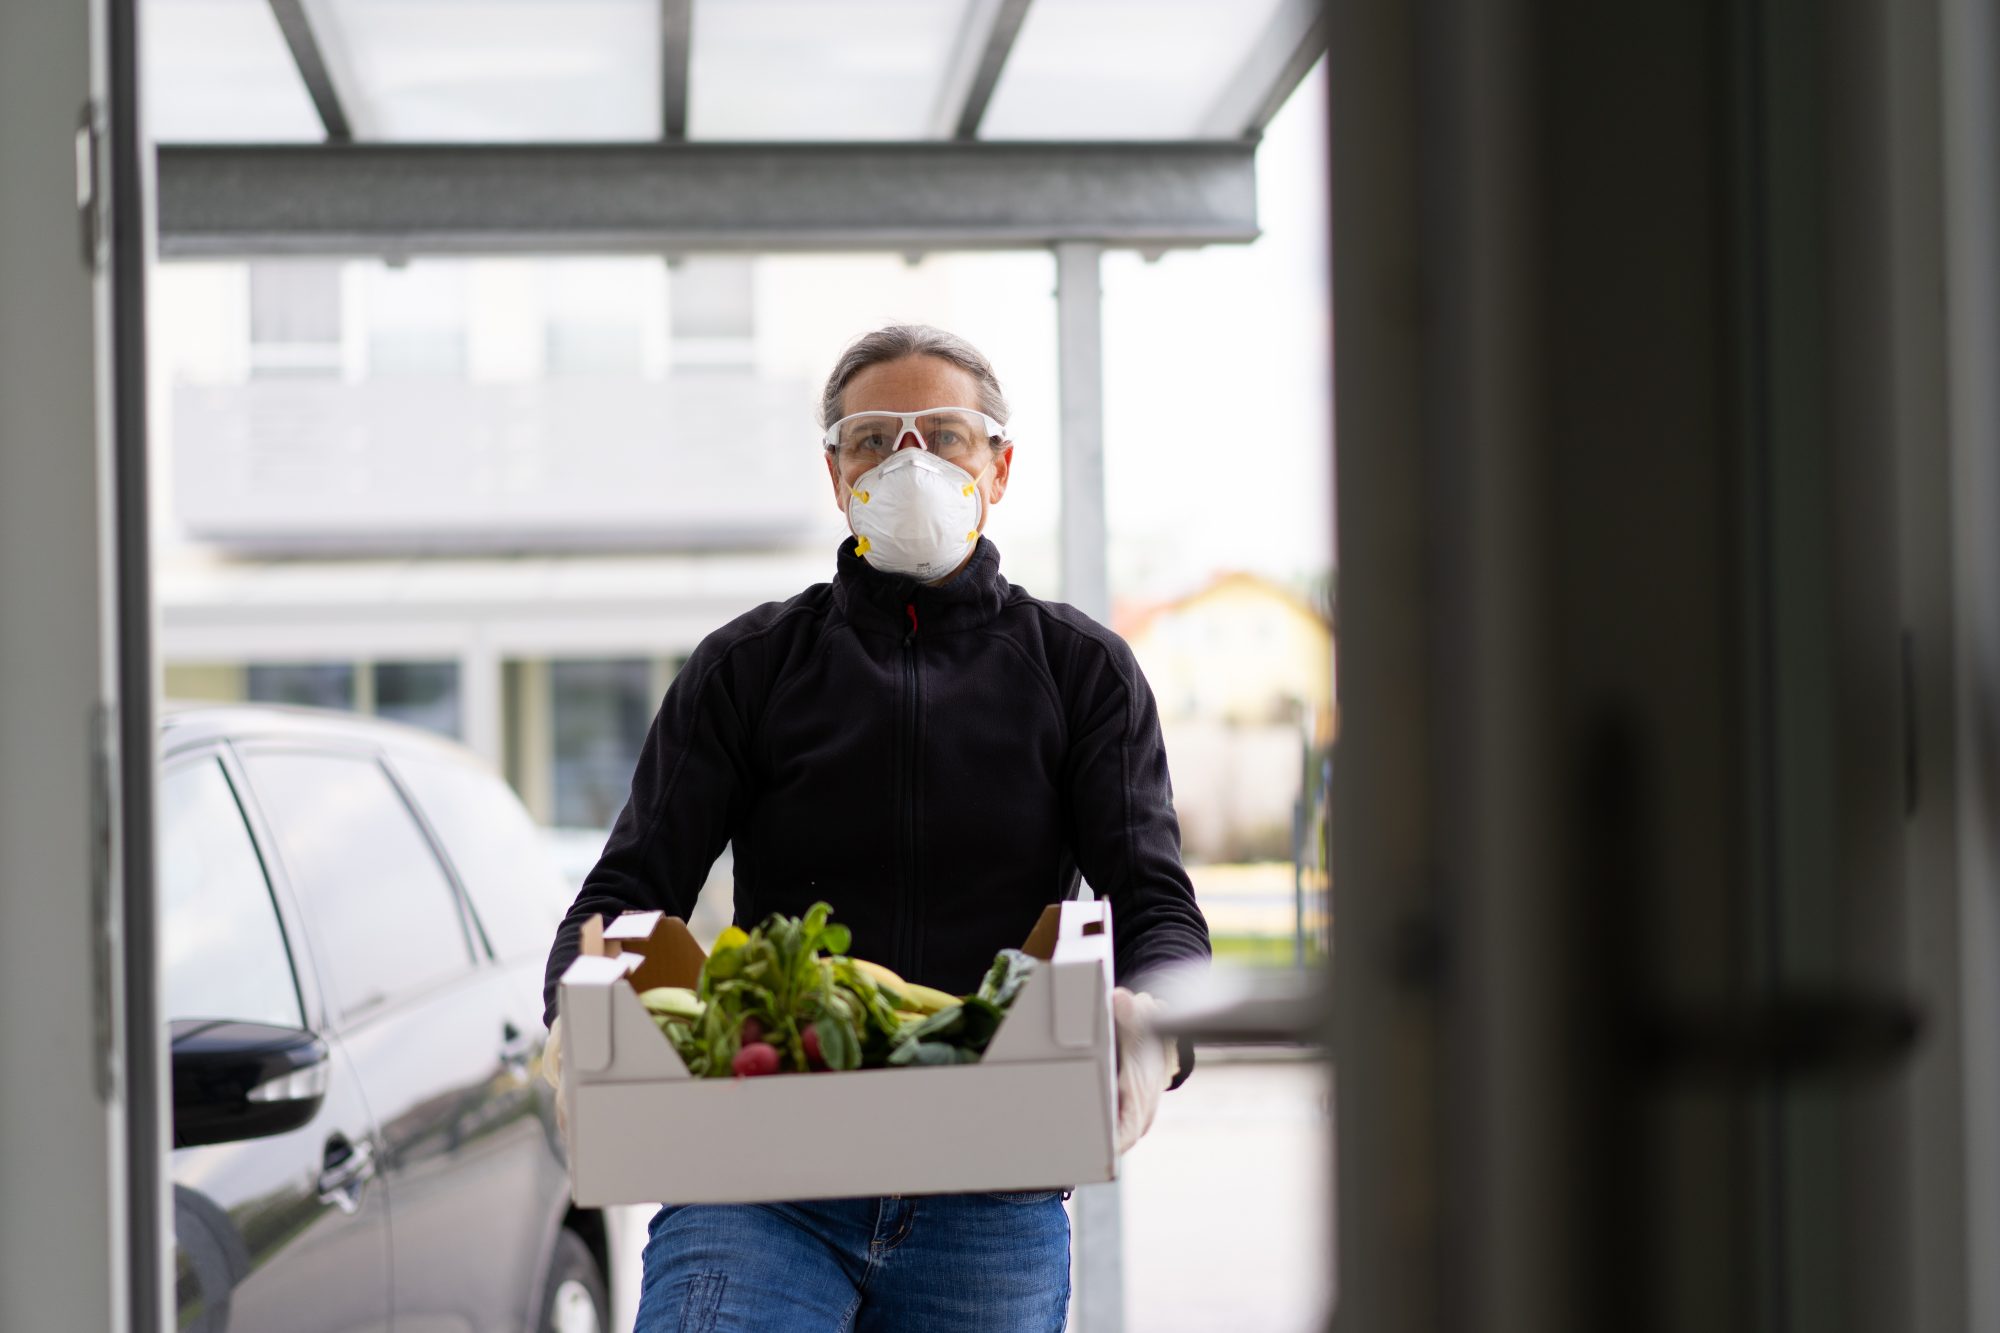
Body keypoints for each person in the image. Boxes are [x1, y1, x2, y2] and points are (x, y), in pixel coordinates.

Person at [539, 324, 1211, 1331]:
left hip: (992, 1180)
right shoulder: (747, 668)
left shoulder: (1081, 673)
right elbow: (624, 895)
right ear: (834, 472)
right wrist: (574, 1025)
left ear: (999, 464)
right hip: (756, 1173)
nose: (908, 461)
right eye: (871, 439)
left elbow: (1157, 907)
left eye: (942, 435)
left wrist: (1151, 1027)